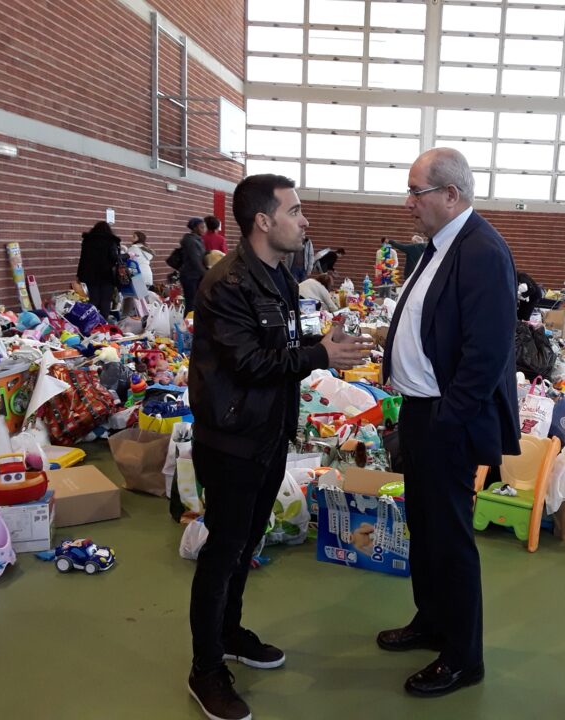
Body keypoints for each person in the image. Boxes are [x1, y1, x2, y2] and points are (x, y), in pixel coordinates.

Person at [186, 174, 372, 720]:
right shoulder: (227, 283)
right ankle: (205, 669)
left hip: (268, 434)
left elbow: (279, 347)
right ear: (263, 221)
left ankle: (229, 633)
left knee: (246, 544)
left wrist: (319, 344)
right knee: (223, 552)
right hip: (231, 440)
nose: (304, 220)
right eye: (294, 211)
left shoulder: (281, 277)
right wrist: (320, 356)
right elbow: (248, 363)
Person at [379, 147, 520, 698]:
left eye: (416, 191)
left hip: (447, 417)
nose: (408, 202)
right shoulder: (441, 245)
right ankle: (433, 621)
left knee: (451, 537)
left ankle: (463, 657)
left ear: (451, 195)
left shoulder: (482, 250)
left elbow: (487, 352)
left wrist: (449, 419)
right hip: (421, 411)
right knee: (427, 528)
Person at [75, 220, 121, 318]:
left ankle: (92, 320)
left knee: (93, 300)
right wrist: (126, 256)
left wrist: (79, 275)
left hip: (90, 275)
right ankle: (103, 322)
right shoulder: (111, 241)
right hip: (107, 276)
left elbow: (83, 259)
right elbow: (114, 257)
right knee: (105, 300)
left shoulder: (88, 241)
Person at [180, 217, 207, 313]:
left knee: (195, 302)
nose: (204, 229)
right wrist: (206, 274)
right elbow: (195, 260)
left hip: (195, 275)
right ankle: (189, 321)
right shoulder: (191, 241)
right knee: (191, 303)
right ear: (195, 228)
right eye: (202, 227)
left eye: (204, 227)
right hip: (190, 276)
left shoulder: (197, 240)